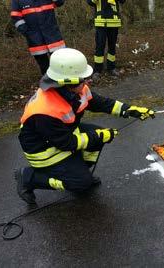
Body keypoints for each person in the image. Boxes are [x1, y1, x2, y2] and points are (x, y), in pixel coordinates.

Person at [15, 48, 155, 204]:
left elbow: (101, 103)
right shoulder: (44, 110)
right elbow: (66, 143)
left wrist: (129, 110)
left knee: (97, 136)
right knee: (81, 182)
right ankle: (29, 177)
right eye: (84, 78)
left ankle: (80, 171)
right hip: (45, 152)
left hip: (63, 136)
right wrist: (98, 137)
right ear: (68, 82)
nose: (88, 81)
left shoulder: (76, 90)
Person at [11, 0, 66, 75]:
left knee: (62, 64)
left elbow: (59, 2)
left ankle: (67, 84)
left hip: (53, 37)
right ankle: (50, 85)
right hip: (35, 40)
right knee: (44, 68)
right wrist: (27, 32)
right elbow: (15, 17)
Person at [86, 0, 126, 79]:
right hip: (101, 23)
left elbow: (123, 1)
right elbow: (90, 2)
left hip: (114, 23)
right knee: (100, 47)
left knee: (112, 47)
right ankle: (97, 70)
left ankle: (111, 68)